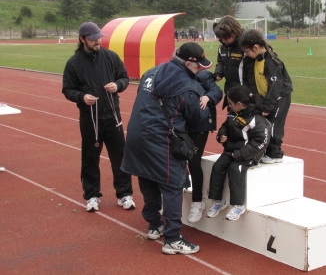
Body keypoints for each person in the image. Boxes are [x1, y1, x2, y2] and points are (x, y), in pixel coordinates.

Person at [121, 42, 213, 255]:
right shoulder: (189, 87)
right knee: (172, 185)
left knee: (147, 177)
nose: (200, 70)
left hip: (136, 133)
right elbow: (195, 116)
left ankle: (154, 225)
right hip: (161, 139)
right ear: (189, 63)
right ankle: (173, 239)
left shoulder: (151, 72)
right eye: (198, 66)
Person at [62, 21, 135, 212]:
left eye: (99, 38)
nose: (98, 42)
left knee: (120, 157)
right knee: (90, 158)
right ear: (82, 39)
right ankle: (92, 196)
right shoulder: (73, 63)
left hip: (113, 117)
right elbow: (67, 89)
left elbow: (124, 77)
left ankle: (124, 194)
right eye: (93, 39)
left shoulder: (110, 57)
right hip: (90, 119)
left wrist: (117, 85)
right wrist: (81, 97)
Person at [207, 85, 271, 221]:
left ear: (239, 104)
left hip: (248, 154)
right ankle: (218, 201)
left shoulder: (257, 120)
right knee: (218, 167)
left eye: (230, 103)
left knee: (236, 168)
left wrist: (239, 154)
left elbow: (261, 141)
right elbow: (226, 126)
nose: (228, 106)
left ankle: (238, 205)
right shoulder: (233, 112)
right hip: (231, 150)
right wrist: (221, 135)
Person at [238, 29, 293, 164]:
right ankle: (265, 150)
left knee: (274, 124)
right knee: (264, 124)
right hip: (266, 96)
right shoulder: (256, 59)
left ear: (255, 47)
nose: (246, 54)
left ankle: (275, 153)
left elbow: (275, 86)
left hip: (280, 97)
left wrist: (268, 106)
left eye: (247, 51)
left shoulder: (272, 61)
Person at [186, 70, 223, 223]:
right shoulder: (174, 75)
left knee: (193, 161)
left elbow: (217, 91)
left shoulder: (202, 75)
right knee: (175, 157)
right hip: (181, 122)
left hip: (200, 124)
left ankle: (197, 202)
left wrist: (208, 97)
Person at [212, 15, 253, 109]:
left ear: (234, 32)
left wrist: (251, 92)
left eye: (226, 38)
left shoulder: (244, 46)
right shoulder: (222, 48)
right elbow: (221, 62)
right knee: (232, 121)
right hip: (230, 91)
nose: (223, 41)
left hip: (244, 91)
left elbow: (251, 69)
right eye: (221, 38)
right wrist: (218, 73)